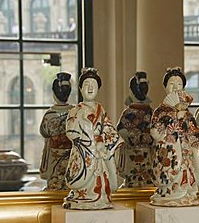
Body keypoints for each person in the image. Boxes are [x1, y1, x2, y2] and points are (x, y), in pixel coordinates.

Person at [63, 68, 123, 209]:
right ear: (80, 88)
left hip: (99, 152)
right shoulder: (75, 110)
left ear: (98, 89)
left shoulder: (101, 110)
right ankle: (82, 196)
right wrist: (85, 127)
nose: (90, 88)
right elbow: (70, 132)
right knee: (84, 177)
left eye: (93, 85)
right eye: (86, 85)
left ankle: (101, 196)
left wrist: (103, 142)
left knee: (101, 176)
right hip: (83, 151)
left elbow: (108, 128)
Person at [150, 67, 199, 206]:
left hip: (184, 149)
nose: (175, 88)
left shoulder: (187, 113)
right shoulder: (160, 111)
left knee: (185, 173)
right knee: (170, 173)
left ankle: (186, 194)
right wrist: (173, 118)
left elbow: (194, 129)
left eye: (179, 85)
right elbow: (154, 132)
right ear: (165, 87)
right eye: (171, 84)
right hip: (168, 151)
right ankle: (168, 193)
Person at [116, 71, 154, 188]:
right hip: (137, 150)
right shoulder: (149, 112)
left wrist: (133, 136)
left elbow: (121, 129)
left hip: (142, 150)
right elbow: (121, 130)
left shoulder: (132, 112)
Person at [39, 72, 73, 191]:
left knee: (55, 175)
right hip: (71, 153)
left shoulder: (49, 115)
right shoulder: (75, 112)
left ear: (54, 94)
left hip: (54, 153)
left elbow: (43, 131)